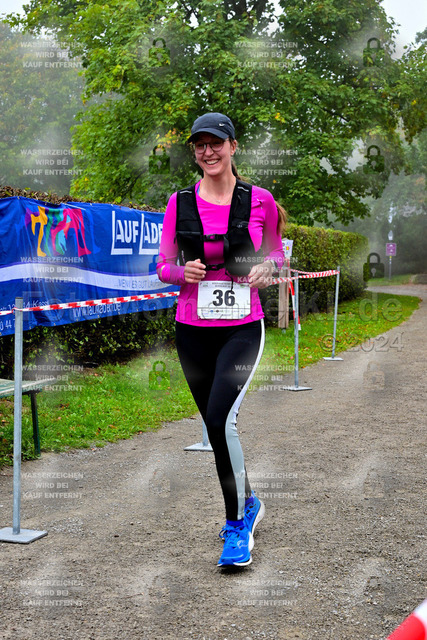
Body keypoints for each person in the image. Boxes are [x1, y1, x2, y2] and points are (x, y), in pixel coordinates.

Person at [157, 112, 286, 567]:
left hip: (241, 327)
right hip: (192, 329)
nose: (208, 152)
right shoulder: (178, 202)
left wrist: (269, 266)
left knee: (220, 418)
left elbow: (277, 251)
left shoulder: (260, 200)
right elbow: (163, 266)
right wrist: (181, 272)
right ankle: (249, 501)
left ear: (233, 146)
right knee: (215, 427)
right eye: (200, 145)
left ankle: (236, 527)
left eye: (216, 143)